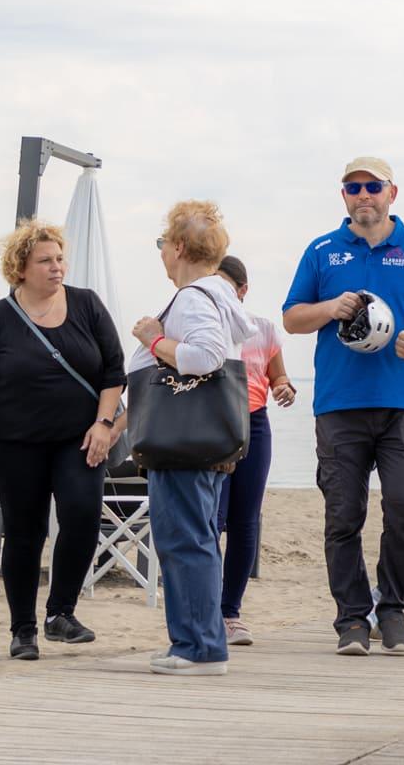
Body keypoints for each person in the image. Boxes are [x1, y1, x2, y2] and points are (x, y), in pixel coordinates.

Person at [282, 155, 404, 656]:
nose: (363, 195)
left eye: (372, 187)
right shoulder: (322, 251)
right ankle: (352, 619)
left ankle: (394, 610)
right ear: (343, 196)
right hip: (339, 405)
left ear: (391, 193)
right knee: (343, 515)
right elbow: (293, 317)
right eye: (353, 187)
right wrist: (328, 309)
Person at [0, 220, 127, 661]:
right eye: (45, 261)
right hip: (16, 445)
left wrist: (104, 424)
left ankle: (60, 614)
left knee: (83, 517)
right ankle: (23, 630)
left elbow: (114, 372)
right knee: (24, 535)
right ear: (21, 268)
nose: (57, 268)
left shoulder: (88, 305)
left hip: (79, 441)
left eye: (59, 259)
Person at [129, 200, 255, 675]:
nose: (161, 252)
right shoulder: (220, 297)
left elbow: (205, 355)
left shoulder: (193, 297)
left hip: (182, 439)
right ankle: (192, 639)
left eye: (163, 243)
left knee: (185, 539)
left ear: (179, 246)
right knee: (194, 536)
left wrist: (152, 340)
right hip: (205, 438)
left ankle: (199, 646)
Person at [216, 254, 295, 648]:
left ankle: (231, 612)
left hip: (254, 425)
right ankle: (207, 608)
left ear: (242, 291)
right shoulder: (205, 327)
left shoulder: (262, 329)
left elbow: (278, 377)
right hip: (212, 428)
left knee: (245, 522)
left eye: (226, 287)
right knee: (211, 521)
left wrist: (284, 388)